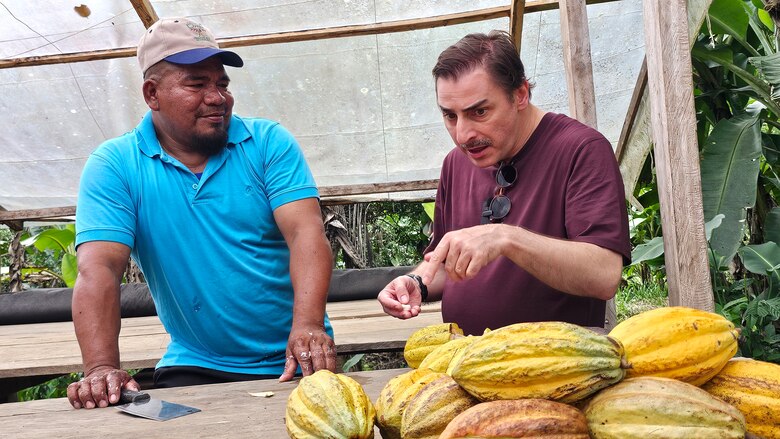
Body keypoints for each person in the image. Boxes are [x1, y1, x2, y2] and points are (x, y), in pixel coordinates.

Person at [67, 18, 336, 410]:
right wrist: (101, 367)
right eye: (196, 84)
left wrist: (309, 326)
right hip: (196, 361)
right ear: (152, 94)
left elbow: (306, 234)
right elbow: (99, 269)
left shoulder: (267, 143)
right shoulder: (116, 165)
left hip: (296, 354)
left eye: (222, 83)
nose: (217, 97)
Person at [378, 31, 631, 336]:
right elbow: (447, 263)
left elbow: (603, 274)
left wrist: (505, 237)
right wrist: (417, 282)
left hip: (554, 359)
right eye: (450, 116)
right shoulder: (456, 163)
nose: (463, 135)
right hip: (466, 355)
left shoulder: (581, 150)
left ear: (520, 94)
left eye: (479, 112)